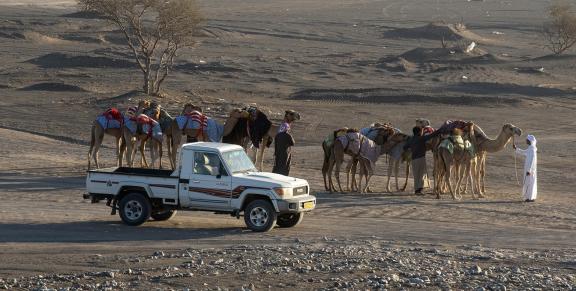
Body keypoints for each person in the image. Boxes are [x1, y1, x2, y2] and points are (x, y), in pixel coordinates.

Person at [404, 126, 439, 194]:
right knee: (421, 174)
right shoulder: (421, 138)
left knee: (416, 174)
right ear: (419, 132)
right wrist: (440, 130)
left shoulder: (411, 139)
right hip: (420, 158)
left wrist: (411, 149)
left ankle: (417, 189)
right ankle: (419, 190)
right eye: (422, 131)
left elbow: (405, 147)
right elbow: (431, 135)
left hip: (413, 159)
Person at [272, 110, 298, 176]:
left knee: (277, 166)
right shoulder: (288, 135)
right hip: (285, 154)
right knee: (285, 167)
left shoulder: (277, 135)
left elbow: (275, 144)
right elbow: (293, 143)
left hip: (278, 153)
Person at [513, 135, 538, 202]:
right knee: (528, 182)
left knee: (530, 183)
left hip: (530, 170)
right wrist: (516, 149)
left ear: (529, 141)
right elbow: (524, 152)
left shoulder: (532, 149)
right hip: (528, 169)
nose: (526, 141)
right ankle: (528, 197)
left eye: (527, 140)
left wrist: (529, 170)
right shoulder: (530, 148)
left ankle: (530, 197)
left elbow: (532, 160)